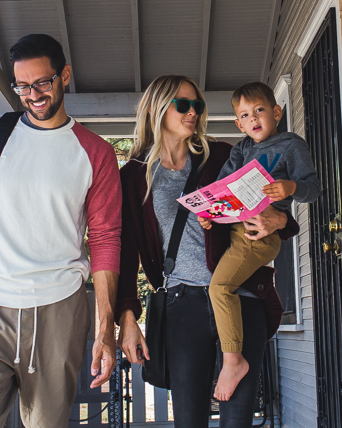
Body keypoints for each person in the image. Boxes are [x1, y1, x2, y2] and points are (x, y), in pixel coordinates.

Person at [0, 34, 122, 428]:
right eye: (22, 86)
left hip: (58, 311)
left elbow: (105, 240)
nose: (32, 94)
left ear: (65, 76)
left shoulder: (95, 153)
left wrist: (106, 328)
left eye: (42, 82)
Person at [116, 75, 299, 428]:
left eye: (197, 105)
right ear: (157, 109)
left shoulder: (225, 157)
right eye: (182, 104)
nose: (193, 112)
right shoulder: (134, 177)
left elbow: (274, 211)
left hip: (242, 299)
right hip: (182, 306)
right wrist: (127, 316)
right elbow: (126, 252)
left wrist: (278, 220)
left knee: (238, 420)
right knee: (189, 420)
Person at [199, 81, 320, 401]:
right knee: (223, 287)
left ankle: (233, 361)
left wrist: (291, 188)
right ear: (238, 123)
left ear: (276, 112)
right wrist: (210, 212)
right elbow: (224, 185)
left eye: (259, 111)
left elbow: (314, 188)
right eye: (245, 115)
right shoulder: (241, 149)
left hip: (258, 237)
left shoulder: (291, 146)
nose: (253, 119)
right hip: (236, 230)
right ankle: (232, 353)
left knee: (219, 288)